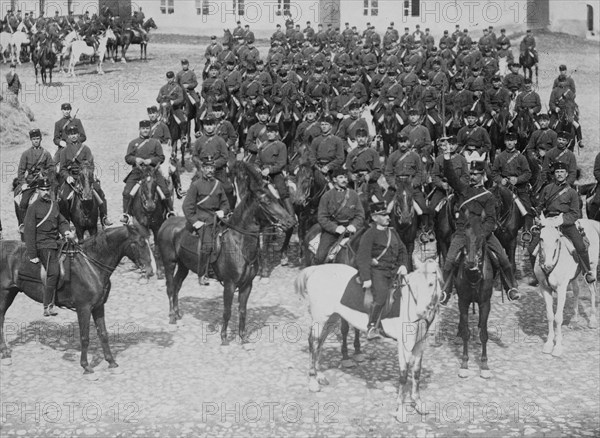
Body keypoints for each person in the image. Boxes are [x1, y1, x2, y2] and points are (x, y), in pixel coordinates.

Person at [440, 159, 521, 306]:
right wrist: (446, 159)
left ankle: (511, 287)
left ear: (482, 175)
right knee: (449, 260)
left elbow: (491, 220)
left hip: (483, 234)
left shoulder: (488, 196)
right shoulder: (463, 189)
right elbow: (451, 176)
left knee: (503, 259)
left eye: (476, 174)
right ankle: (445, 291)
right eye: (471, 174)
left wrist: (480, 234)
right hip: (462, 233)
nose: (473, 177)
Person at [529, 162, 595, 284]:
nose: (559, 174)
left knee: (580, 246)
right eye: (557, 172)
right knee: (532, 247)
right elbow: (540, 206)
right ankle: (537, 275)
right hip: (548, 223)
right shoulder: (547, 189)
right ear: (554, 174)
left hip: (565, 223)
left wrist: (562, 220)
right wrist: (538, 216)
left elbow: (575, 213)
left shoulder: (572, 192)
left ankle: (587, 272)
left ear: (566, 174)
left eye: (562, 172)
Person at [23, 177, 75, 316]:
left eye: (47, 189)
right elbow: (29, 231)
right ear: (38, 190)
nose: (46, 192)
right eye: (43, 190)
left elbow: (61, 221)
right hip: (43, 245)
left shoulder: (54, 204)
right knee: (54, 272)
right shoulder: (33, 208)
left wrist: (66, 231)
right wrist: (32, 254)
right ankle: (48, 306)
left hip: (56, 242)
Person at [357, 201, 408, 340]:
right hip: (378, 271)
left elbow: (403, 250)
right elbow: (363, 257)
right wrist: (366, 278)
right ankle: (372, 326)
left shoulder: (393, 232)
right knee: (381, 296)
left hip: (394, 271)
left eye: (387, 215)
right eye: (383, 215)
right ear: (374, 218)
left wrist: (403, 265)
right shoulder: (369, 234)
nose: (388, 218)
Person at [182, 157, 230, 285]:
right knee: (208, 244)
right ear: (202, 169)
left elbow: (225, 203)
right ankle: (203, 273)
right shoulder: (196, 185)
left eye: (212, 168)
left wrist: (223, 211)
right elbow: (187, 206)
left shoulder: (218, 184)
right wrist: (194, 221)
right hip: (202, 220)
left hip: (217, 219)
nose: (210, 170)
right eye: (207, 168)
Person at [57, 126, 112, 226]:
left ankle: (104, 217)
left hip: (85, 177)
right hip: (72, 178)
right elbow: (62, 169)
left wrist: (88, 175)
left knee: (99, 192)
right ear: (68, 136)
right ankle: (65, 222)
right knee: (63, 199)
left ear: (78, 135)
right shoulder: (64, 151)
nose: (73, 136)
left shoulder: (86, 149)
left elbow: (91, 165)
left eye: (75, 133)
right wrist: (67, 177)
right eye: (70, 134)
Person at [123, 120, 175, 217]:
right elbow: (127, 158)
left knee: (165, 191)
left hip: (153, 171)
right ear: (139, 129)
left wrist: (151, 161)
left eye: (147, 128)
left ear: (150, 129)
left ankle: (169, 212)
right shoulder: (133, 143)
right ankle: (126, 214)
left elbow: (161, 157)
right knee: (126, 192)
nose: (145, 131)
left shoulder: (155, 143)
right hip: (138, 171)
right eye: (143, 129)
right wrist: (135, 159)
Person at [384, 134, 431, 238]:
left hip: (411, 185)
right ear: (397, 143)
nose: (403, 144)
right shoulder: (393, 156)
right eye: (401, 142)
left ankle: (424, 231)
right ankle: (385, 230)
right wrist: (394, 184)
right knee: (384, 206)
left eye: (405, 141)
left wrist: (414, 183)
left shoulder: (415, 156)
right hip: (397, 185)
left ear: (409, 142)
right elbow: (388, 173)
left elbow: (420, 172)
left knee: (423, 207)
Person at [315, 168, 365, 264]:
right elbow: (322, 217)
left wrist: (354, 225)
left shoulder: (353, 194)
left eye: (346, 178)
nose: (344, 180)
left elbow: (360, 214)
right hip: (333, 232)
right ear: (334, 179)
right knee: (320, 257)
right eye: (341, 177)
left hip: (351, 230)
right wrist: (335, 228)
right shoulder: (327, 196)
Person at [491, 133, 534, 237]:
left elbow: (528, 173)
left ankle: (526, 231)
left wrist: (517, 179)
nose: (510, 143)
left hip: (519, 188)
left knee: (527, 208)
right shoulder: (500, 157)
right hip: (504, 187)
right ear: (505, 142)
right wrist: (501, 180)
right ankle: (491, 228)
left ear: (515, 142)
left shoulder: (521, 157)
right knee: (491, 202)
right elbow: (494, 173)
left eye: (512, 140)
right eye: (507, 141)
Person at [16, 129, 55, 220]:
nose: (36, 141)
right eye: (34, 139)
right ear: (31, 140)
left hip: (44, 182)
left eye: (37, 138)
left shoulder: (46, 154)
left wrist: (45, 172)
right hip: (31, 183)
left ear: (41, 139)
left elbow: (52, 168)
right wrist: (23, 183)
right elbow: (21, 171)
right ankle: (23, 223)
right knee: (24, 202)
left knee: (54, 201)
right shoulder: (26, 154)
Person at [147, 106, 185, 199]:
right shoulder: (146, 126)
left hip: (161, 151)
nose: (152, 115)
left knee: (173, 166)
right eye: (150, 114)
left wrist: (162, 145)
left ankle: (178, 187)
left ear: (157, 114)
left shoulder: (163, 126)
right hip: (149, 153)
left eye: (154, 113)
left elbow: (168, 140)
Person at [345, 128, 383, 203]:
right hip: (355, 183)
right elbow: (347, 169)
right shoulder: (351, 154)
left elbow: (377, 170)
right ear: (356, 138)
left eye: (363, 137)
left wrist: (370, 175)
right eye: (359, 137)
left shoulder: (373, 153)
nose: (361, 139)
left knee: (379, 204)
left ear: (366, 138)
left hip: (370, 183)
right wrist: (351, 176)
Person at [308, 115, 345, 180]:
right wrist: (317, 167)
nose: (324, 126)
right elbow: (312, 156)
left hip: (333, 170)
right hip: (318, 168)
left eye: (326, 124)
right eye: (322, 124)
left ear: (331, 126)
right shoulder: (315, 140)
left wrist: (328, 167)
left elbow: (340, 158)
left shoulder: (337, 140)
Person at [156, 71, 186, 137]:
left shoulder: (178, 88)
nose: (170, 79)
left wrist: (174, 102)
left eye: (171, 78)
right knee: (155, 121)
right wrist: (161, 98)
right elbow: (158, 99)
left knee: (182, 121)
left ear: (174, 78)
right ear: (166, 78)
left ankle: (183, 136)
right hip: (164, 109)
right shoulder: (163, 88)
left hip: (175, 108)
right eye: (168, 78)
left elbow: (181, 98)